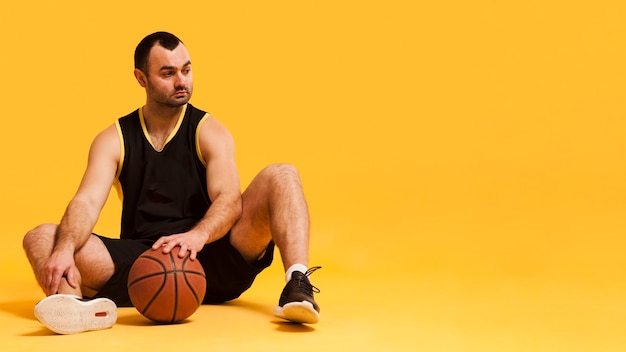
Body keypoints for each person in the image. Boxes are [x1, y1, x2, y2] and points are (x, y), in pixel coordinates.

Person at [22, 31, 321, 334]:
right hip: (144, 266)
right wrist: (64, 248)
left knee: (282, 174)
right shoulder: (113, 139)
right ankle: (73, 308)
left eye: (186, 70)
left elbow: (229, 200)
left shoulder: (209, 130)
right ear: (141, 78)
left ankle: (297, 284)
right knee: (43, 238)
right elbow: (86, 202)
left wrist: (197, 236)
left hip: (211, 256)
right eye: (168, 73)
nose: (181, 81)